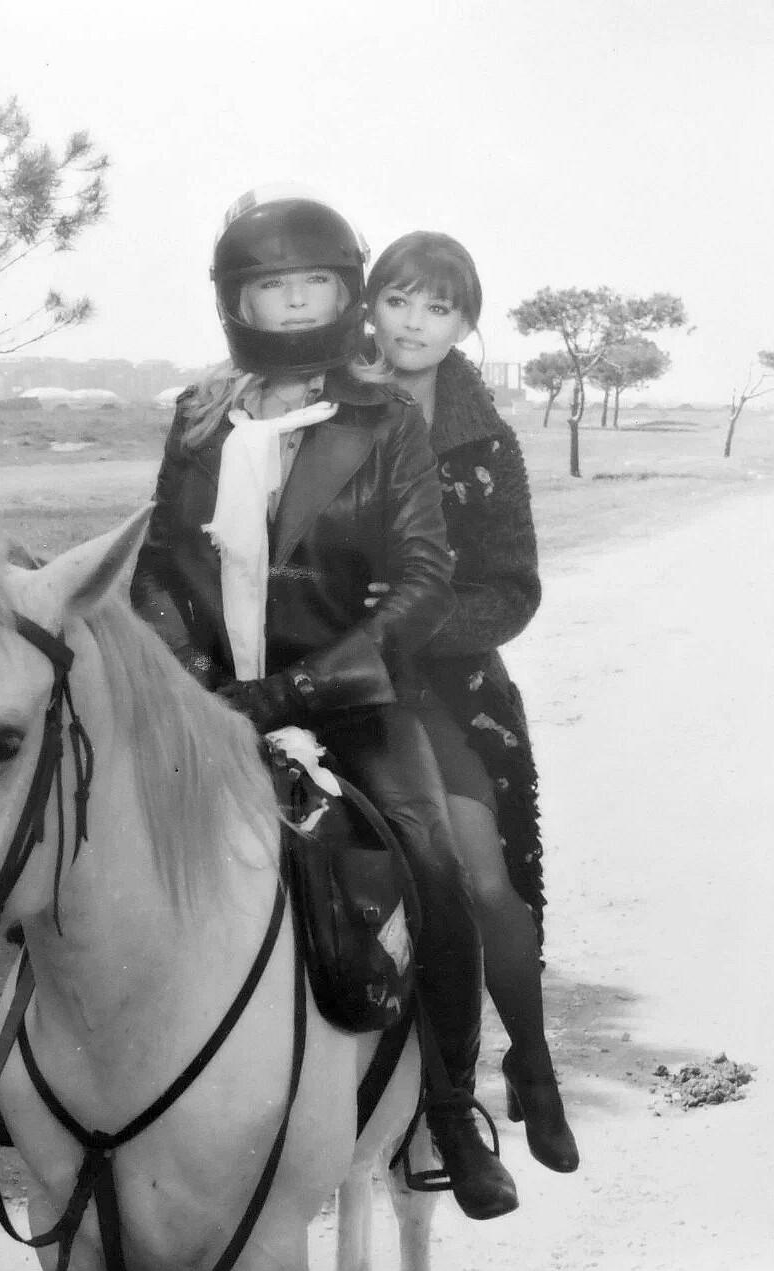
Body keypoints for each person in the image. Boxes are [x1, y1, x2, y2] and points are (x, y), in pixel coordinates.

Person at [131, 189, 518, 1219]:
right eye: (273, 286)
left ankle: (448, 1110)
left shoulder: (384, 417)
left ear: (345, 293)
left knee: (433, 866)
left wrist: (291, 690)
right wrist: (197, 681)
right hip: (205, 699)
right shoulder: (199, 415)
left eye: (314, 282)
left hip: (349, 699)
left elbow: (424, 581)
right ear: (237, 300)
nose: (296, 302)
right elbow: (159, 565)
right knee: (84, 825)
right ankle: (41, 1067)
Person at [363, 230, 579, 1175]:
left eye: (438, 306)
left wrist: (419, 619)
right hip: (326, 670)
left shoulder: (484, 441)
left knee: (479, 877)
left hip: (445, 687)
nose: (414, 322)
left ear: (465, 324)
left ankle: (529, 1064)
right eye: (397, 299)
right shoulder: (322, 406)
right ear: (369, 304)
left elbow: (513, 590)